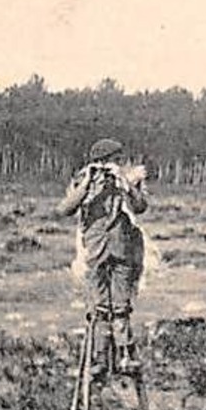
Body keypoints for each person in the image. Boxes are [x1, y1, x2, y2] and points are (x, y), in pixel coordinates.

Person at [58, 138, 147, 379]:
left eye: (116, 160)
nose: (113, 165)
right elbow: (65, 208)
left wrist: (126, 183)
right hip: (95, 250)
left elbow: (140, 207)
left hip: (123, 249)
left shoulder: (129, 179)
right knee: (99, 307)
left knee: (121, 307)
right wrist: (88, 183)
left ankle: (125, 356)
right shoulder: (83, 179)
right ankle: (99, 358)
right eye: (108, 161)